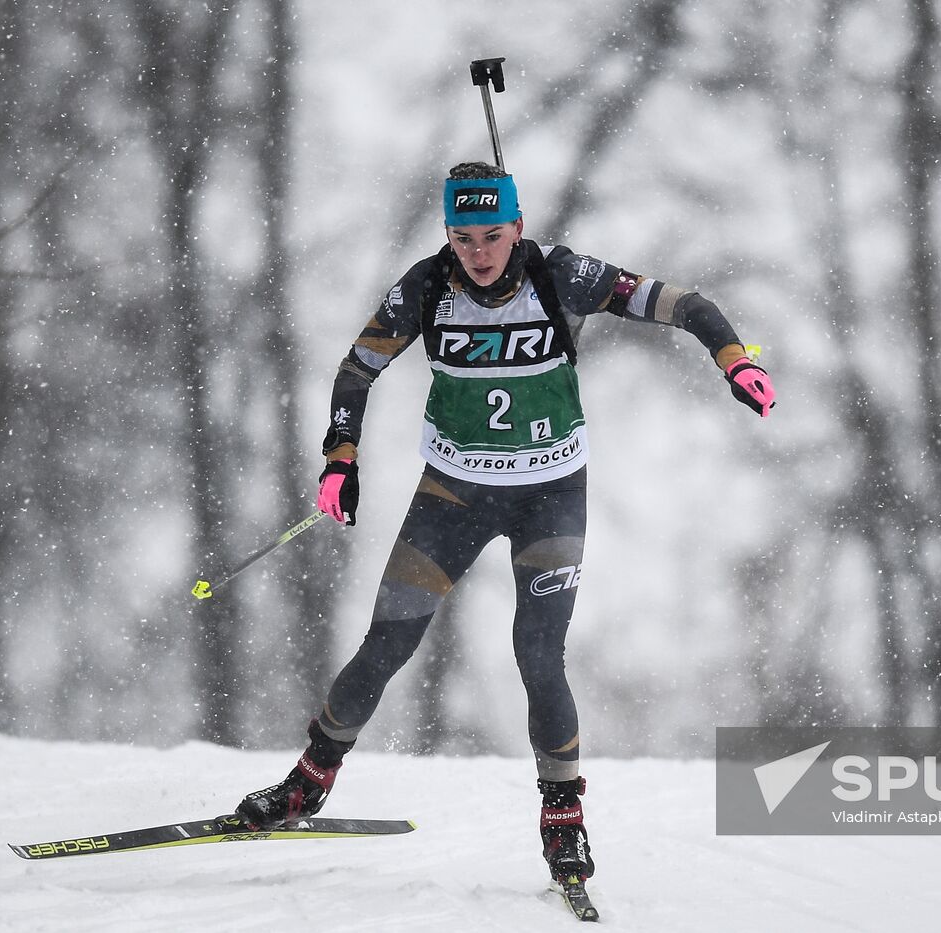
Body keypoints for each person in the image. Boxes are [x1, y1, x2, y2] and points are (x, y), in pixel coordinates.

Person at [235, 161, 776, 886]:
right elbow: (357, 368)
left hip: (549, 495)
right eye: (463, 238)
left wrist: (734, 360)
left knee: (538, 653)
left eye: (493, 235)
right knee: (388, 640)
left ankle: (564, 818)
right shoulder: (426, 286)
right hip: (452, 495)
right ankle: (309, 779)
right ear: (447, 236)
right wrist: (341, 458)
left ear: (518, 226)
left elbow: (683, 303)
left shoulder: (563, 275)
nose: (479, 252)